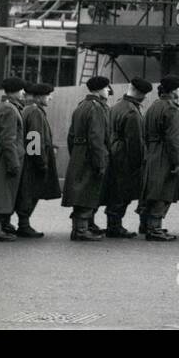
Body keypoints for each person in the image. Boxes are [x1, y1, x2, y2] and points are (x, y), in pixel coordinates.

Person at [63, 76, 113, 241]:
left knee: (80, 191)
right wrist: (100, 162)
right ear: (99, 89)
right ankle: (81, 230)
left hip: (79, 152)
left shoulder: (81, 106)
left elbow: (71, 136)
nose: (108, 91)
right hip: (91, 154)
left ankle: (79, 228)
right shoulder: (97, 108)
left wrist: (76, 153)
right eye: (106, 88)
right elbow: (96, 137)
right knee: (88, 191)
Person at [138, 76, 179, 241]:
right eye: (178, 88)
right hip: (164, 154)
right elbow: (173, 139)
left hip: (152, 152)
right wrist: (177, 161)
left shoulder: (153, 107)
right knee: (163, 192)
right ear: (172, 91)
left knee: (152, 190)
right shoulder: (171, 109)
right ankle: (155, 229)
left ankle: (147, 225)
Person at [0, 77, 27, 242]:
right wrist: (13, 162)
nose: (23, 93)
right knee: (0, 193)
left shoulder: (6, 107)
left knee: (1, 192)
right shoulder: (9, 109)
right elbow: (9, 139)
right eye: (21, 90)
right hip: (6, 156)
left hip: (2, 155)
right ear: (14, 91)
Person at [105, 77, 150, 238]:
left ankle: (112, 224)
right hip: (124, 156)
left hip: (113, 151)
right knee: (123, 192)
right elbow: (135, 141)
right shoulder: (132, 111)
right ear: (141, 94)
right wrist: (138, 163)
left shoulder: (117, 105)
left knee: (114, 190)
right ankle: (115, 226)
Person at [14, 82, 60, 238]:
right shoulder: (35, 112)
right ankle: (24, 225)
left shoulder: (29, 109)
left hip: (29, 158)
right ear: (39, 96)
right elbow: (34, 137)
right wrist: (40, 161)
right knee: (30, 192)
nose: (50, 98)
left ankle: (22, 223)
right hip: (32, 161)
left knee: (27, 191)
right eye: (48, 95)